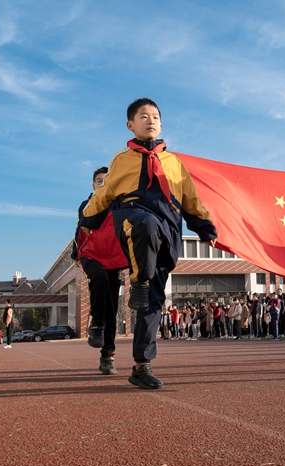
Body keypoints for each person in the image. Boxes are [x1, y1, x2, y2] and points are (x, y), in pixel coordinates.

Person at [81, 98, 217, 389]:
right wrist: (87, 219)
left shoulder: (174, 163)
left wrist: (205, 228)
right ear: (130, 125)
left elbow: (191, 199)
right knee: (146, 224)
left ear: (161, 124)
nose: (150, 120)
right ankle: (139, 280)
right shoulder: (122, 160)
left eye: (155, 116)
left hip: (169, 225)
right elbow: (104, 195)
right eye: (143, 116)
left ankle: (142, 366)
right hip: (132, 217)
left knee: (154, 300)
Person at [72, 166, 128, 374]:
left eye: (107, 180)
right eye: (99, 181)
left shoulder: (120, 204)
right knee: (99, 276)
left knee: (112, 309)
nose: (102, 183)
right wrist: (75, 254)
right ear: (93, 185)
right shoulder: (86, 204)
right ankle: (96, 322)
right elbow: (79, 230)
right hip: (91, 254)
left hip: (114, 258)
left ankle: (107, 356)